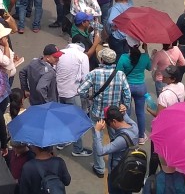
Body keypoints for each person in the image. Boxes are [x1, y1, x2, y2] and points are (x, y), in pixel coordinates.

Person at [78, 47, 131, 178]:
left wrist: (89, 99)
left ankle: (100, 168)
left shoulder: (94, 73)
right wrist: (124, 105)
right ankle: (116, 164)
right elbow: (127, 95)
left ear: (102, 59)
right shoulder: (120, 74)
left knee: (98, 139)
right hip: (114, 115)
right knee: (117, 139)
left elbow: (81, 91)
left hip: (98, 113)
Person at [54, 41, 92, 157]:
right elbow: (85, 77)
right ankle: (78, 149)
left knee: (63, 118)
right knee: (77, 122)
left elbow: (55, 69)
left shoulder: (61, 53)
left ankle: (61, 142)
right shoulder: (82, 56)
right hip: (73, 93)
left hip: (59, 91)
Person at [92, 105, 139, 194]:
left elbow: (100, 151)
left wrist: (97, 131)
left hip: (117, 174)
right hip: (129, 172)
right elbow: (126, 117)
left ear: (114, 121)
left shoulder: (121, 140)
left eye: (108, 123)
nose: (108, 126)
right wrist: (124, 112)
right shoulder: (134, 126)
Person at [116, 45, 152, 143]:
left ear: (128, 45)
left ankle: (127, 135)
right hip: (141, 87)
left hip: (127, 87)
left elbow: (118, 72)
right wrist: (146, 49)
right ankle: (141, 136)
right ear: (139, 45)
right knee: (140, 112)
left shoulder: (124, 57)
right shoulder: (144, 57)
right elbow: (150, 67)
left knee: (126, 111)